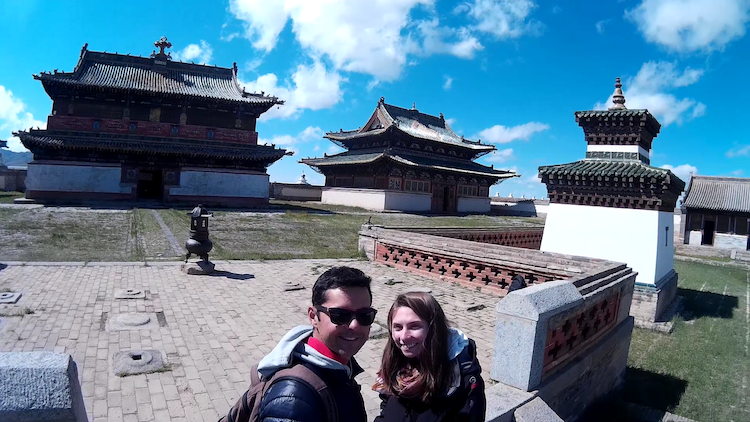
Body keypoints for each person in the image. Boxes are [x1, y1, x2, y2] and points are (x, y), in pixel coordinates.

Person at [222, 266, 376, 422]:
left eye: (365, 316)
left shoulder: (338, 365)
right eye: (340, 315)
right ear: (313, 316)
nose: (355, 325)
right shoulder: (294, 399)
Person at [373, 292, 486, 421]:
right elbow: (385, 406)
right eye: (398, 327)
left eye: (414, 326)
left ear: (434, 329)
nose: (403, 337)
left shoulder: (461, 379)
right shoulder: (394, 361)